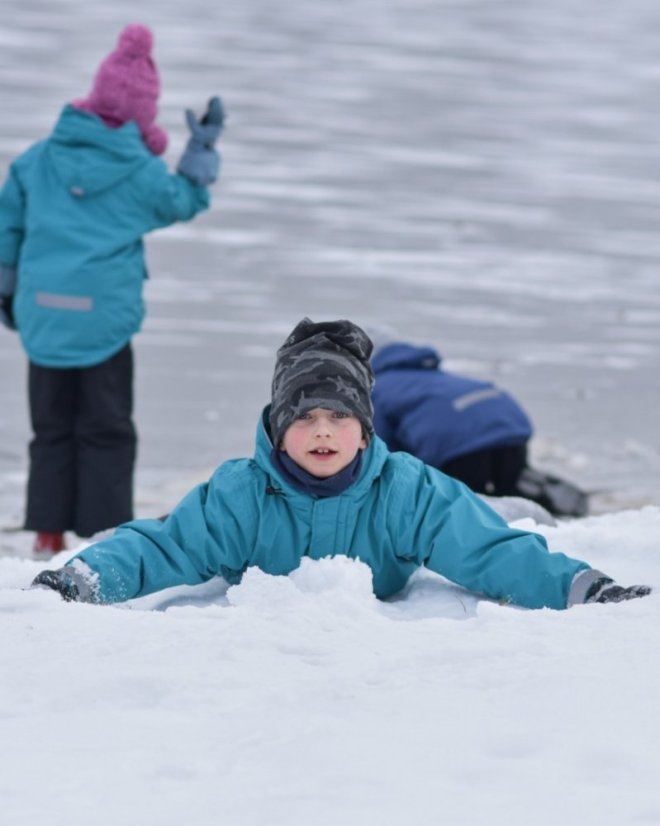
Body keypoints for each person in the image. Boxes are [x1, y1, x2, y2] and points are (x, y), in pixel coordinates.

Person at [31, 318, 650, 610]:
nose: (322, 431)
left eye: (339, 417)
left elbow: (484, 550)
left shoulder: (405, 488)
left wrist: (581, 588)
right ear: (277, 428)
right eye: (303, 417)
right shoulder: (240, 493)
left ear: (365, 429)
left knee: (501, 516)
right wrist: (85, 578)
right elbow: (164, 545)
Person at [0, 23, 225, 558]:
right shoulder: (142, 172)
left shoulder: (38, 158)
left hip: (44, 316)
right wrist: (201, 149)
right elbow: (185, 202)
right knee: (107, 428)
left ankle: (48, 531)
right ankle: (102, 534)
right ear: (142, 114)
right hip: (104, 321)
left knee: (51, 426)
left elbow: (7, 226)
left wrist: (6, 290)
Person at [370, 337, 588, 518]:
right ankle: (549, 515)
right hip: (509, 424)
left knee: (466, 505)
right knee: (510, 492)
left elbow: (383, 444)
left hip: (458, 441)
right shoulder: (434, 376)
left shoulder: (379, 388)